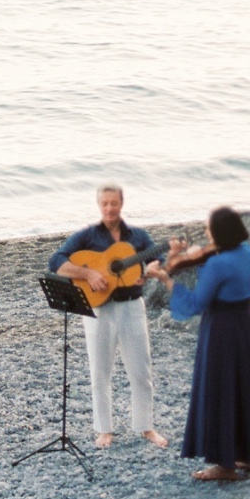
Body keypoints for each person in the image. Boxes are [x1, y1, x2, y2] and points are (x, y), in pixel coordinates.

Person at [146, 205, 250, 481]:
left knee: (220, 391)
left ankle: (225, 466)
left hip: (222, 329)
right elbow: (222, 273)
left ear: (220, 232)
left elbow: (196, 303)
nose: (206, 232)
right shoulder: (246, 252)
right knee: (244, 390)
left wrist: (164, 277)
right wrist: (181, 257)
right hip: (246, 323)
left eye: (209, 228)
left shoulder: (218, 263)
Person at [48, 184, 169, 449]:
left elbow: (157, 256)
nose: (109, 208)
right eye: (104, 204)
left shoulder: (138, 236)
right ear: (98, 205)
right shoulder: (87, 236)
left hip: (132, 306)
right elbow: (56, 260)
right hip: (99, 308)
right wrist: (88, 273)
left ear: (121, 203)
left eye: (114, 203)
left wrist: (152, 266)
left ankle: (146, 426)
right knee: (100, 370)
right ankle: (104, 429)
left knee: (141, 369)